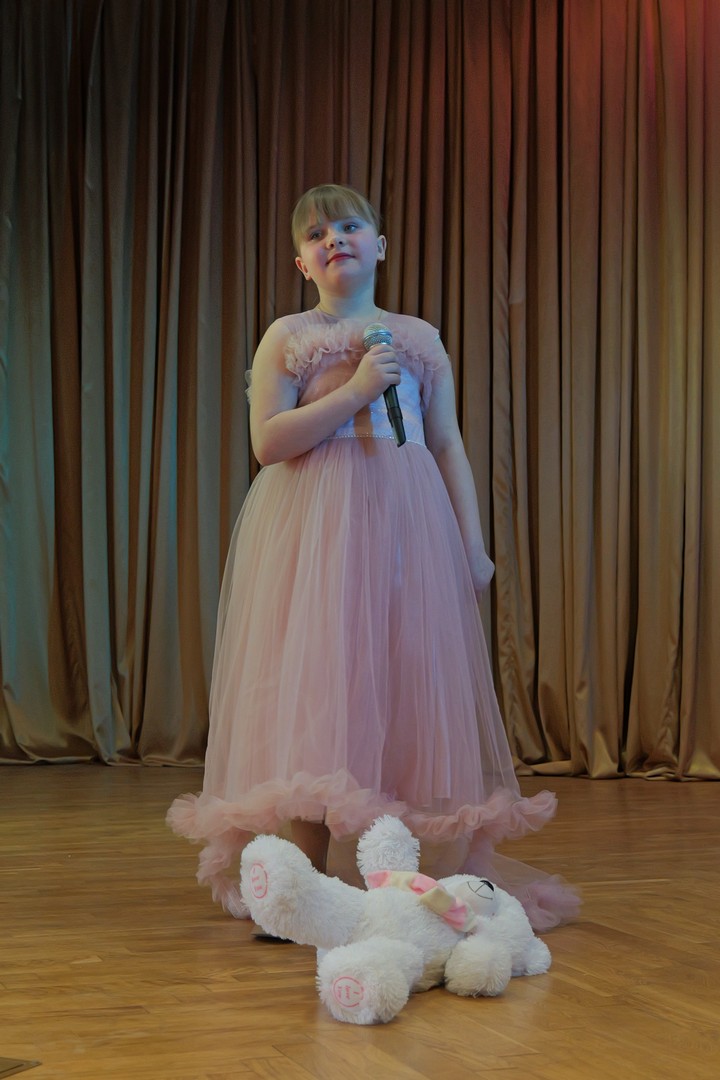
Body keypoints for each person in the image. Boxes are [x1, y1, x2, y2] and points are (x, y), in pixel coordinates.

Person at [167, 183, 578, 931]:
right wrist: (357, 389)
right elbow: (268, 443)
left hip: (405, 531)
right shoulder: (289, 335)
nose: (334, 239)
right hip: (317, 534)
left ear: (379, 246)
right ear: (302, 262)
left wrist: (471, 546)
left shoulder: (417, 338)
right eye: (316, 234)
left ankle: (391, 873)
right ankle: (300, 880)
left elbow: (446, 444)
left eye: (349, 226)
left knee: (400, 681)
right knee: (321, 681)